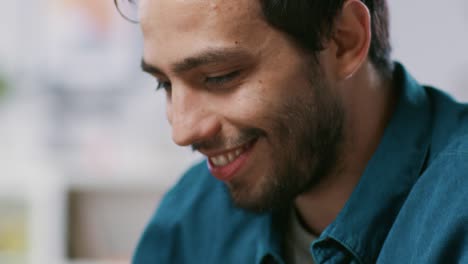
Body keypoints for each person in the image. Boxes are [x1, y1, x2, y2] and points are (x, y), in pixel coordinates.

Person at [122, 0, 468, 263]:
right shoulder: (189, 218)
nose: (182, 131)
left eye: (219, 76)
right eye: (164, 84)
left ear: (344, 40)